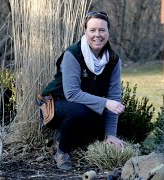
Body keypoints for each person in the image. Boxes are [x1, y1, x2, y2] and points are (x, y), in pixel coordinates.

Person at [40, 11, 125, 170]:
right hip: (55, 104)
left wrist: (110, 134)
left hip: (83, 105)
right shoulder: (72, 54)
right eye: (92, 30)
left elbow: (114, 97)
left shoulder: (113, 60)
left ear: (108, 32)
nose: (97, 35)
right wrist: (106, 103)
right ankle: (62, 152)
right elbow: (72, 94)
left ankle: (79, 140)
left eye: (102, 30)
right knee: (82, 110)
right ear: (85, 31)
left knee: (97, 111)